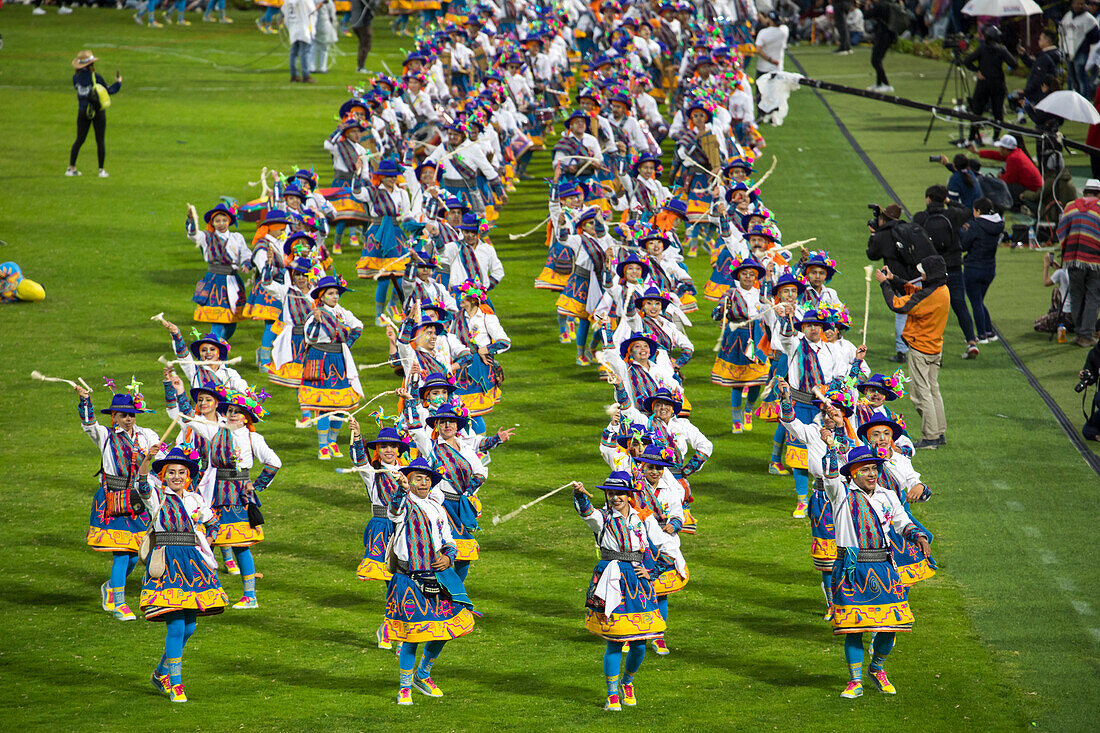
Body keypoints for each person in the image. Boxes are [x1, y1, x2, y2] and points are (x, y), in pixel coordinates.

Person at [821, 443, 932, 699]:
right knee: (854, 628)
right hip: (852, 568)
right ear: (852, 474)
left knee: (893, 624)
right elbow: (829, 476)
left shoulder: (886, 495)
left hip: (884, 566)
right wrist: (831, 448)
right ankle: (855, 681)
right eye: (864, 469)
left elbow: (901, 521)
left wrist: (919, 537)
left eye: (874, 468)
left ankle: (877, 668)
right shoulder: (840, 493)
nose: (871, 474)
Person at [135, 446, 229, 703]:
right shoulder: (157, 497)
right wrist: (146, 459)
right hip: (168, 565)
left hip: (193, 564)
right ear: (164, 475)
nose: (176, 477)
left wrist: (204, 541)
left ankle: (160, 673)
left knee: (189, 626)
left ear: (188, 476)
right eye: (171, 472)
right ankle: (175, 684)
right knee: (176, 625)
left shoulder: (195, 499)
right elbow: (141, 484)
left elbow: (214, 524)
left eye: (181, 472)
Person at [385, 457, 477, 706]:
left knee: (449, 628)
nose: (423, 482)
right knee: (411, 635)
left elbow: (448, 539)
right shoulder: (404, 505)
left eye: (426, 478)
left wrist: (448, 557)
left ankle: (422, 675)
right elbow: (393, 511)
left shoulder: (437, 507)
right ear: (410, 481)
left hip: (438, 578)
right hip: (409, 580)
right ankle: (405, 688)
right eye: (417, 478)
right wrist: (402, 490)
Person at [572, 474, 667, 712]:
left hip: (638, 584)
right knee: (615, 641)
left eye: (619, 494)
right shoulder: (602, 519)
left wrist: (652, 572)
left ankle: (627, 682)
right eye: (611, 494)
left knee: (640, 643)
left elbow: (658, 547)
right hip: (612, 579)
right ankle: (612, 694)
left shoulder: (642, 518)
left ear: (629, 495)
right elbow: (587, 513)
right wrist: (580, 494)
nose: (615, 498)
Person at [76, 383, 157, 621]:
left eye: (132, 414)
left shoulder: (147, 435)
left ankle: (111, 587)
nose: (129, 419)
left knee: (135, 553)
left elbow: (160, 460)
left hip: (139, 498)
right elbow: (88, 424)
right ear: (114, 416)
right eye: (123, 415)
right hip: (114, 498)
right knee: (121, 553)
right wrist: (85, 401)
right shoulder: (105, 435)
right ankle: (119, 604)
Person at [874, 255, 951, 449]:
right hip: (935, 347)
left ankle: (930, 437)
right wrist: (895, 280)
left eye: (924, 273)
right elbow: (917, 293)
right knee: (933, 390)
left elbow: (898, 305)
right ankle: (939, 432)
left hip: (920, 348)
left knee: (920, 393)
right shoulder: (942, 290)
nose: (921, 276)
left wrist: (885, 285)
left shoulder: (929, 296)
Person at [911, 185, 977, 358]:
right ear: (944, 199)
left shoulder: (920, 217)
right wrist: (949, 201)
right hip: (953, 265)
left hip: (930, 270)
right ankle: (971, 342)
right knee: (960, 304)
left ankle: (930, 346)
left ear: (928, 199)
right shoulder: (952, 214)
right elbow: (967, 210)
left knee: (929, 308)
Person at [1055, 179, 1100, 347]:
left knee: (1076, 296)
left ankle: (1080, 333)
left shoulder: (1070, 207)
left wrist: (1067, 250)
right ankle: (1086, 335)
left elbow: (1061, 232)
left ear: (1084, 192)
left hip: (1073, 259)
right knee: (1093, 297)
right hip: (1095, 261)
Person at [68, 51, 121, 178]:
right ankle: (101, 170)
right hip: (97, 111)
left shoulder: (76, 78)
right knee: (100, 140)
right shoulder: (96, 77)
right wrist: (118, 82)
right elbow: (108, 91)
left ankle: (71, 167)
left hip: (82, 111)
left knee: (79, 139)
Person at [960, 198, 1004, 345]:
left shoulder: (975, 225)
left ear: (978, 211)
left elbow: (964, 245)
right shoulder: (997, 225)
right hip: (989, 269)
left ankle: (982, 335)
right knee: (979, 301)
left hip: (973, 268)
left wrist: (962, 231)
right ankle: (989, 332)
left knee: (976, 302)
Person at [962, 26, 1017, 143]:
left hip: (983, 83)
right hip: (998, 84)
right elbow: (1014, 64)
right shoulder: (1001, 50)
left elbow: (967, 61)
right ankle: (995, 137)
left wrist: (977, 70)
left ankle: (972, 137)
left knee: (977, 111)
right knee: (998, 112)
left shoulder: (982, 49)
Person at [970, 134, 1042, 210]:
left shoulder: (1013, 158)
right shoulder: (1016, 152)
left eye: (1001, 148)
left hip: (1031, 190)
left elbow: (1007, 181)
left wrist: (1000, 177)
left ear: (1005, 149)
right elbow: (997, 155)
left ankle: (1016, 205)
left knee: (1003, 186)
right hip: (1034, 188)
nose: (999, 149)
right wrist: (977, 152)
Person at [1059, 0, 1099, 96]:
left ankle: (1084, 98)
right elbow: (1062, 31)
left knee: (1080, 76)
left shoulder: (1088, 19)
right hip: (1068, 50)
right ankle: (1072, 98)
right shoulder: (1068, 16)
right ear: (1072, 4)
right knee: (1071, 77)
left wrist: (1085, 44)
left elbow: (1095, 37)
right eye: (1077, 3)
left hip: (1082, 52)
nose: (1080, 6)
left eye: (1082, 4)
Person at [864, 0, 901, 92]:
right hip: (889, 35)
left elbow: (866, 15)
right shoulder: (889, 5)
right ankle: (879, 83)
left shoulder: (880, 6)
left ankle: (886, 84)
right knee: (878, 60)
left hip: (883, 36)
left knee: (875, 61)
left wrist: (867, 5)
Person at [284, 0, 316, 83]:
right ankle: (306, 75)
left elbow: (284, 11)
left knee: (294, 53)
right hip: (304, 27)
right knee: (305, 52)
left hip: (293, 27)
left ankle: (294, 75)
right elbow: (312, 10)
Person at [755, 12, 790, 78]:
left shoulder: (763, 33)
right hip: (778, 68)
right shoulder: (785, 30)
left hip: (763, 68)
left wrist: (770, 60)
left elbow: (758, 50)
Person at [311, 0, 338, 74]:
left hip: (314, 25)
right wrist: (334, 24)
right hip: (324, 25)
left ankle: (311, 67)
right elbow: (332, 15)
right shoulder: (328, 2)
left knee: (313, 47)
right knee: (324, 48)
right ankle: (322, 67)